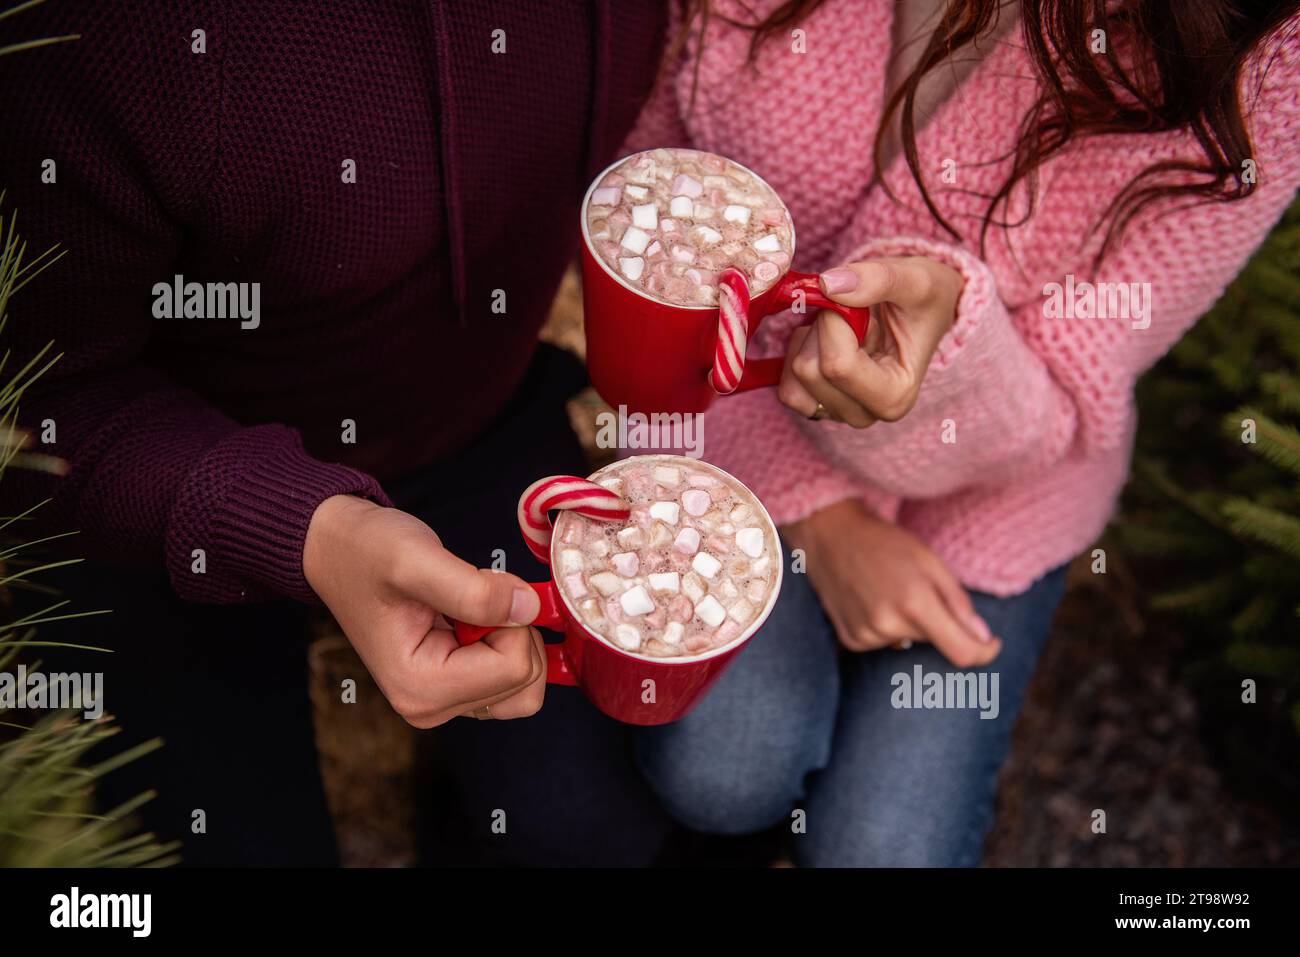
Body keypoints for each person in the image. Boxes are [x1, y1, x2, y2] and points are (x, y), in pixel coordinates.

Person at [0, 0, 674, 866]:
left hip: (479, 419)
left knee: (588, 835)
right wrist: (299, 527)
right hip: (164, 483)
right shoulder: (98, 38)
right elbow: (36, 407)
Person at [627, 0, 1300, 865]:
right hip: (731, 413)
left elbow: (1072, 381)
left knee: (884, 846)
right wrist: (818, 522)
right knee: (725, 768)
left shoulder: (1267, 58)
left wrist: (948, 349)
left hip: (1006, 482)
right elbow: (642, 219)